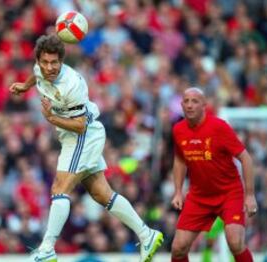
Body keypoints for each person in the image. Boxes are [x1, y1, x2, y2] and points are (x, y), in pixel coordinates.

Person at [9, 34, 163, 262]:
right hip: (72, 136)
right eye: (45, 62)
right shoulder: (40, 68)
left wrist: (51, 118)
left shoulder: (73, 84)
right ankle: (147, 234)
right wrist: (24, 86)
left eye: (54, 62)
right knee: (102, 194)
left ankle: (47, 248)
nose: (49, 67)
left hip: (83, 135)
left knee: (59, 188)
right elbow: (37, 75)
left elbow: (80, 126)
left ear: (62, 61)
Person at [170, 87, 258, 262]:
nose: (189, 105)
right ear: (181, 105)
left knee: (235, 241)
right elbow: (180, 160)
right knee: (178, 248)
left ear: (204, 105)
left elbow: (246, 158)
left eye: (194, 101)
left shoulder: (219, 127)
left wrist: (250, 195)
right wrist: (178, 191)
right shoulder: (178, 130)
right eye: (186, 101)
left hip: (229, 193)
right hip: (199, 196)